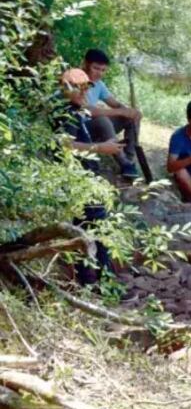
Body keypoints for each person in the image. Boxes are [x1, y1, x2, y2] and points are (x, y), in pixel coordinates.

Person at [55, 68, 122, 284]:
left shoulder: (76, 110)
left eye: (86, 88)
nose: (85, 93)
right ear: (67, 89)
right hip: (79, 181)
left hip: (85, 179)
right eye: (80, 88)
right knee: (98, 229)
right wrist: (100, 148)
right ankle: (105, 282)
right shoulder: (63, 112)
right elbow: (66, 145)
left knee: (85, 229)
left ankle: (88, 280)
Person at [81, 49, 141, 180]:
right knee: (102, 119)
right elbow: (88, 110)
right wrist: (119, 111)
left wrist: (128, 112)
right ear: (85, 64)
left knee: (131, 117)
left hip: (96, 128)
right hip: (80, 130)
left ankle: (129, 159)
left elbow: (115, 104)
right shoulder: (76, 80)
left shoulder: (99, 84)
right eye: (96, 68)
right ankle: (123, 162)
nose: (100, 73)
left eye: (103, 70)